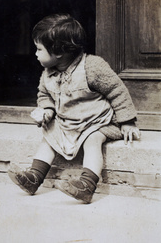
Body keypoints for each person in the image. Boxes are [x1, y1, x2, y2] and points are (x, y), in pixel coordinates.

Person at [8, 13, 140, 204]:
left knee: (93, 140)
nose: (35, 54)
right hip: (68, 121)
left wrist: (127, 122)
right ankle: (34, 178)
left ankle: (86, 186)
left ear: (58, 52)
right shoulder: (48, 73)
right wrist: (47, 111)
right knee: (49, 136)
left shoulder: (92, 66)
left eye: (39, 49)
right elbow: (44, 95)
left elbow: (117, 91)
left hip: (98, 121)